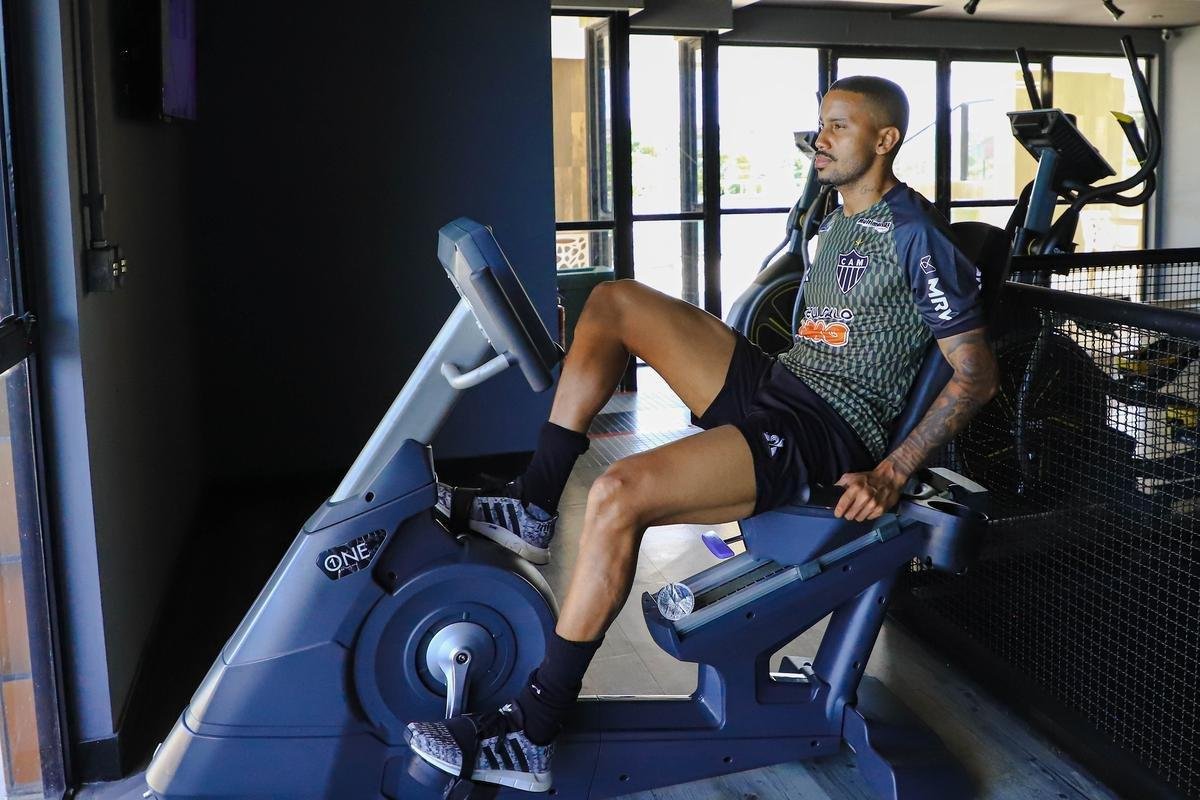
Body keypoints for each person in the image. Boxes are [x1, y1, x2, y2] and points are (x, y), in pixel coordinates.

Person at [406, 76, 999, 792]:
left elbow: (976, 374)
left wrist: (892, 471)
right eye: (820, 124)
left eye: (839, 127)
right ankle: (535, 501)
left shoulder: (917, 234)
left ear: (885, 140)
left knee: (619, 494)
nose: (822, 138)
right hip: (781, 383)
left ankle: (535, 727)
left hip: (824, 427)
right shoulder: (837, 214)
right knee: (612, 301)